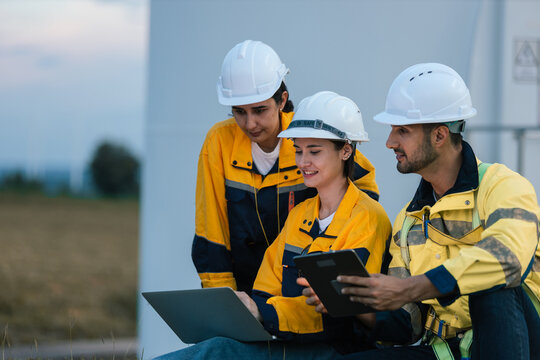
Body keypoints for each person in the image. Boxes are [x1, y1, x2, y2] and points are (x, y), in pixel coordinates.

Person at [304, 63, 540, 360]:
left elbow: (508, 259)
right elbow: (408, 325)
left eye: (402, 131)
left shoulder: (503, 186)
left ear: (440, 136)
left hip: (524, 343)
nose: (390, 142)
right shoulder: (408, 220)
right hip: (448, 352)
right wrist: (359, 304)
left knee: (492, 285)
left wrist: (412, 287)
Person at [159, 91, 392, 359]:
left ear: (346, 151)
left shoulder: (368, 218)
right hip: (289, 341)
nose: (303, 162)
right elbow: (265, 288)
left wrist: (264, 312)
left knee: (215, 352)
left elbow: (341, 311)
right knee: (214, 348)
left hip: (337, 348)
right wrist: (252, 308)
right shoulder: (300, 214)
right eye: (298, 151)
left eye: (314, 151)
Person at [192, 40, 380, 295]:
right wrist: (224, 300)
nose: (250, 124)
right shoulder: (219, 142)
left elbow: (363, 193)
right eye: (239, 112)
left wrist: (331, 269)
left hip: (305, 290)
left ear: (282, 100)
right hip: (245, 290)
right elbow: (210, 233)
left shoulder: (309, 134)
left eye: (259, 110)